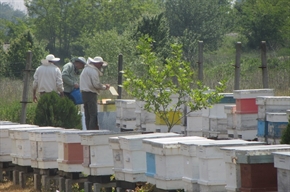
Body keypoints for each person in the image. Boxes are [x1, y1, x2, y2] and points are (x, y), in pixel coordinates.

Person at [80, 56, 110, 130]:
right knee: (93, 114)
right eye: (100, 64)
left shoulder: (86, 69)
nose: (101, 66)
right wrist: (104, 87)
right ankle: (92, 131)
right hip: (90, 94)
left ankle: (88, 130)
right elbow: (95, 84)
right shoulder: (93, 71)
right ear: (97, 63)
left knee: (87, 114)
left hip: (84, 94)